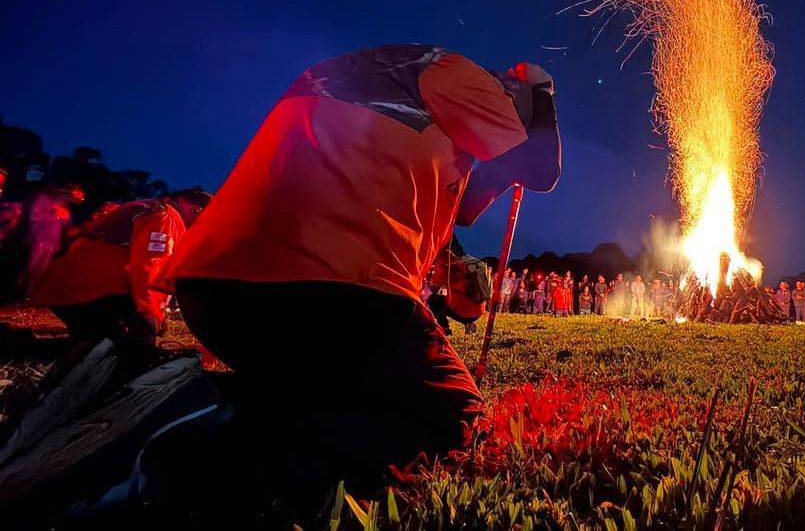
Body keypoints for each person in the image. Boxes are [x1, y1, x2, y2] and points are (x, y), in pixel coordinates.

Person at [156, 46, 561, 503]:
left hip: (214, 295)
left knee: (322, 387)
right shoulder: (457, 72)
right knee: (451, 416)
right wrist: (541, 91)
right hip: (332, 290)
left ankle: (202, 404)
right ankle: (203, 444)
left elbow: (465, 210)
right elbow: (541, 168)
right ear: (501, 96)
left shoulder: (398, 90)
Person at [29, 191, 211, 346]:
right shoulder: (163, 216)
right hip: (90, 292)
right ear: (197, 211)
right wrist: (150, 312)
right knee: (126, 349)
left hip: (72, 289)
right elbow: (149, 265)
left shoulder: (150, 207)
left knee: (101, 343)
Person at [18, 184, 84, 297]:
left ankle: (29, 292)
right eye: (74, 194)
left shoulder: (63, 204)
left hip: (52, 240)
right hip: (39, 237)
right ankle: (18, 289)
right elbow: (33, 216)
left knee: (43, 267)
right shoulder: (43, 197)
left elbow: (66, 223)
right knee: (31, 264)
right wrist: (54, 214)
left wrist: (65, 218)